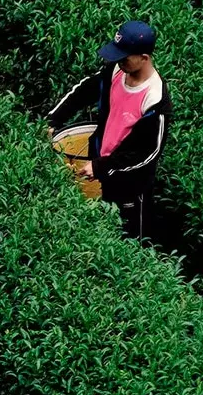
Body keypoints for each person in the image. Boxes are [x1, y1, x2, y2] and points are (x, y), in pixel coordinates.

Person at [46, 20, 171, 239]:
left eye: (125, 57)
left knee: (130, 235)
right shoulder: (116, 71)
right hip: (103, 163)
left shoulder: (154, 100)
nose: (118, 60)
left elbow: (147, 153)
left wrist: (102, 167)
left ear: (144, 58)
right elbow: (83, 91)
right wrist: (53, 120)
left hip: (130, 182)